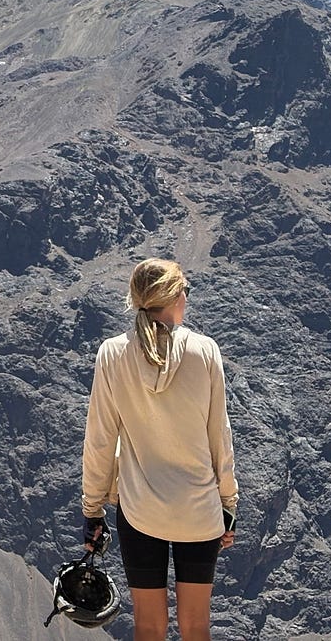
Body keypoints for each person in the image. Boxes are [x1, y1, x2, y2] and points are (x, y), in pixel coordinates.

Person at [80, 258, 238, 641]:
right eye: (185, 290)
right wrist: (228, 504)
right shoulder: (205, 351)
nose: (187, 298)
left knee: (149, 626)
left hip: (140, 512)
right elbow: (219, 436)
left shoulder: (112, 354)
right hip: (199, 511)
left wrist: (93, 509)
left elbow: (100, 439)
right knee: (196, 626)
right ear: (172, 296)